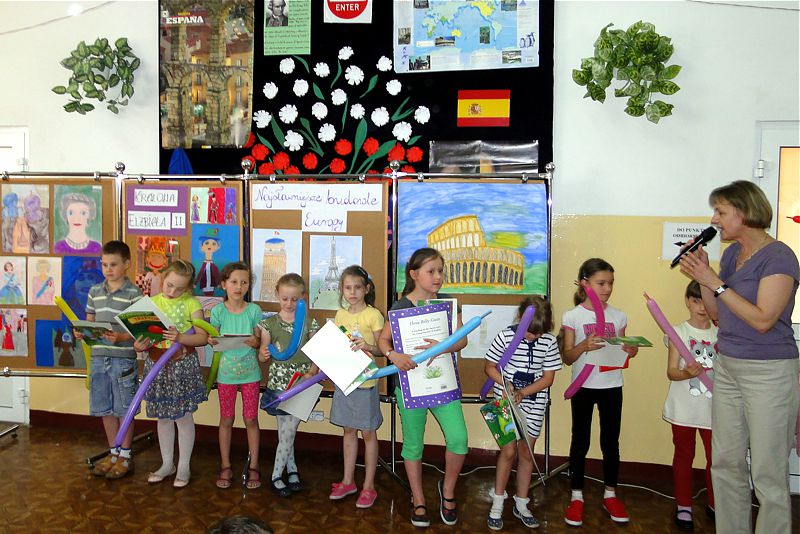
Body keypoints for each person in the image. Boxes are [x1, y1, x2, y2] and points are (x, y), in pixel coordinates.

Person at [678, 180, 799, 534]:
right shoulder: (731, 255)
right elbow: (718, 313)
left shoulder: (780, 257)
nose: (713, 220)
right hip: (728, 365)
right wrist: (704, 276)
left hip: (769, 372)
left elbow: (763, 320)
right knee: (726, 463)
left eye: (720, 212)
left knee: (767, 471)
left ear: (744, 213)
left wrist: (714, 281)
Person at [377, 247, 468, 528]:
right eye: (431, 271)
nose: (438, 276)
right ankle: (418, 498)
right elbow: (383, 341)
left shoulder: (449, 304)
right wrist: (393, 355)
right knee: (413, 445)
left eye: (440, 270)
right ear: (414, 274)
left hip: (442, 384)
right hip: (410, 386)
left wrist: (443, 346)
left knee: (459, 439)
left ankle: (447, 491)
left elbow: (462, 340)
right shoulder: (401, 306)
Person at [561, 258, 638, 527]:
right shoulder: (572, 316)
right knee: (580, 441)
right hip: (583, 387)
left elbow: (622, 351)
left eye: (611, 283)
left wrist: (630, 350)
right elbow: (568, 357)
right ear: (585, 284)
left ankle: (610, 494)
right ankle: (576, 496)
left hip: (611, 385)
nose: (607, 289)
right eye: (601, 283)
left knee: (610, 442)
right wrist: (583, 345)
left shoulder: (619, 315)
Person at [484, 296, 561, 530]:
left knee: (526, 452)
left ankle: (521, 502)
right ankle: (498, 501)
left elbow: (548, 378)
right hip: (504, 401)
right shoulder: (505, 337)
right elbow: (489, 368)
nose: (532, 337)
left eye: (538, 333)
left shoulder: (549, 342)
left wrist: (523, 392)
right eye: (529, 332)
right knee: (508, 451)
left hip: (534, 402)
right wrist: (506, 385)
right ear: (519, 318)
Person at [135, 259, 209, 488]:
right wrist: (139, 346)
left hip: (182, 365)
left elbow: (202, 337)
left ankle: (184, 465)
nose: (172, 291)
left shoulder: (191, 303)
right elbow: (143, 338)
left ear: (188, 287)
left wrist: (180, 338)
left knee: (183, 417)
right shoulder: (151, 303)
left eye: (180, 288)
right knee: (164, 417)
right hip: (157, 365)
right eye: (169, 285)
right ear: (162, 277)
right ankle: (167, 464)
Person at [80, 241, 143, 479]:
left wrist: (122, 337)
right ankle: (113, 453)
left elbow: (140, 331)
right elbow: (90, 321)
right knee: (105, 408)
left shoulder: (134, 294)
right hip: (99, 358)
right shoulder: (94, 291)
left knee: (123, 408)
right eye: (104, 264)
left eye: (113, 264)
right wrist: (83, 332)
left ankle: (125, 455)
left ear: (126, 264)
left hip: (122, 360)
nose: (108, 269)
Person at [328, 265, 385, 508]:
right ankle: (348, 481)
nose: (352, 292)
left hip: (366, 382)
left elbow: (383, 349)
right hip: (345, 379)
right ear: (342, 289)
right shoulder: (341, 315)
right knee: (348, 430)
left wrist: (368, 347)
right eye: (348, 288)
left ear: (366, 289)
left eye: (357, 288)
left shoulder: (373, 315)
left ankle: (369, 486)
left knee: (368, 433)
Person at [662, 280, 717, 530]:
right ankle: (684, 504)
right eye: (696, 301)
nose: (702, 307)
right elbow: (672, 372)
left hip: (713, 411)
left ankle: (715, 502)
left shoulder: (721, 333)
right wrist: (688, 373)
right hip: (684, 409)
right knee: (684, 456)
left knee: (716, 458)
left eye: (706, 301)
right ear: (687, 301)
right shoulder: (678, 332)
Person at [258, 273, 319, 497]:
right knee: (286, 431)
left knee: (289, 430)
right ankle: (289, 471)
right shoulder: (269, 323)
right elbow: (263, 354)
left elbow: (317, 352)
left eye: (295, 299)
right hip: (279, 383)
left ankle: (278, 474)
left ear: (303, 298)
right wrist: (264, 354)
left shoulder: (309, 323)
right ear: (277, 295)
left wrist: (312, 371)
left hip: (301, 382)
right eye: (285, 298)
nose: (289, 303)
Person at [210, 262, 263, 490]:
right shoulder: (218, 311)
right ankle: (225, 465)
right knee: (226, 419)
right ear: (224, 285)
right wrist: (212, 340)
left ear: (249, 285)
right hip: (226, 375)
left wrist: (255, 341)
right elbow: (212, 338)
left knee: (251, 419)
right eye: (233, 282)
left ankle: (254, 466)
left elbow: (259, 340)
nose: (239, 287)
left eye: (244, 282)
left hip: (250, 374)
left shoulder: (254, 311)